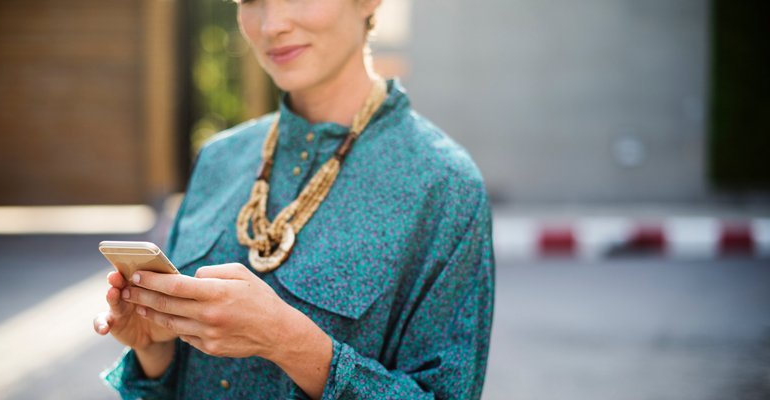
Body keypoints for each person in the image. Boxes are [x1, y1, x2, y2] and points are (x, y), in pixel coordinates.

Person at [93, 0, 495, 398]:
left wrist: (289, 342)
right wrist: (154, 349)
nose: (272, 24)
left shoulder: (445, 184)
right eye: (251, 0)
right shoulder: (220, 159)